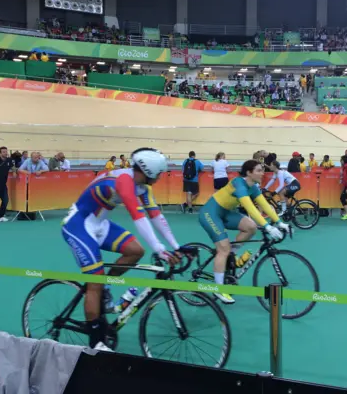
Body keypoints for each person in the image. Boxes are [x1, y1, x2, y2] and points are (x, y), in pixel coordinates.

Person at [61, 148, 187, 351]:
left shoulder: (143, 187)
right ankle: (96, 341)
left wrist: (176, 246)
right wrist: (159, 248)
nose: (162, 176)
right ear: (150, 171)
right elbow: (138, 217)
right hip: (78, 226)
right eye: (160, 172)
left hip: (99, 225)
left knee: (135, 251)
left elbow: (156, 216)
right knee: (95, 281)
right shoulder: (124, 181)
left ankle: (105, 290)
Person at [199, 159, 291, 305]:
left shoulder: (253, 186)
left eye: (263, 170)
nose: (263, 173)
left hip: (226, 213)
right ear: (249, 172)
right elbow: (250, 207)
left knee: (251, 227)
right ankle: (218, 288)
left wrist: (280, 222)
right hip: (210, 213)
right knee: (223, 249)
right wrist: (267, 226)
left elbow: (264, 205)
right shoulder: (238, 183)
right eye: (259, 170)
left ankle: (231, 255)